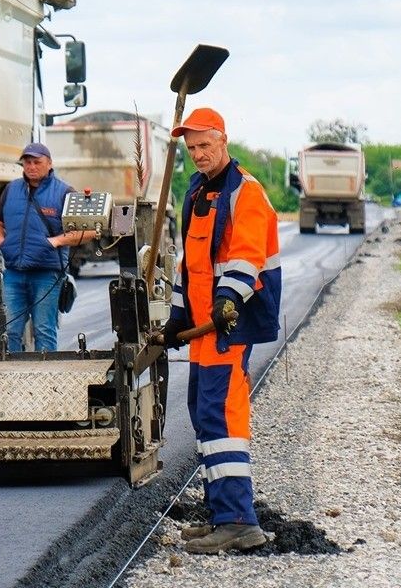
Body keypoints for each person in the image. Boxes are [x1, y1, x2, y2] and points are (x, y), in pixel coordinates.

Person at [152, 108, 281, 554]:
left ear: (223, 141)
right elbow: (190, 266)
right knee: (205, 412)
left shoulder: (245, 193)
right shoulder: (197, 192)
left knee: (222, 416)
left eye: (205, 146)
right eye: (191, 149)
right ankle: (219, 513)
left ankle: (238, 521)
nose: (198, 154)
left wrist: (229, 299)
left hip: (230, 324)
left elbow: (246, 256)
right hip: (204, 326)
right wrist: (176, 317)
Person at [0, 143, 96, 352]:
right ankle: (13, 380)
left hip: (47, 275)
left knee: (44, 330)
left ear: (49, 164)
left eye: (37, 162)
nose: (31, 166)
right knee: (10, 331)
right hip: (14, 274)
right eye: (27, 162)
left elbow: (89, 230)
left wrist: (56, 241)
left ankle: (45, 381)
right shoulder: (11, 189)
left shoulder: (64, 192)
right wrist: (3, 244)